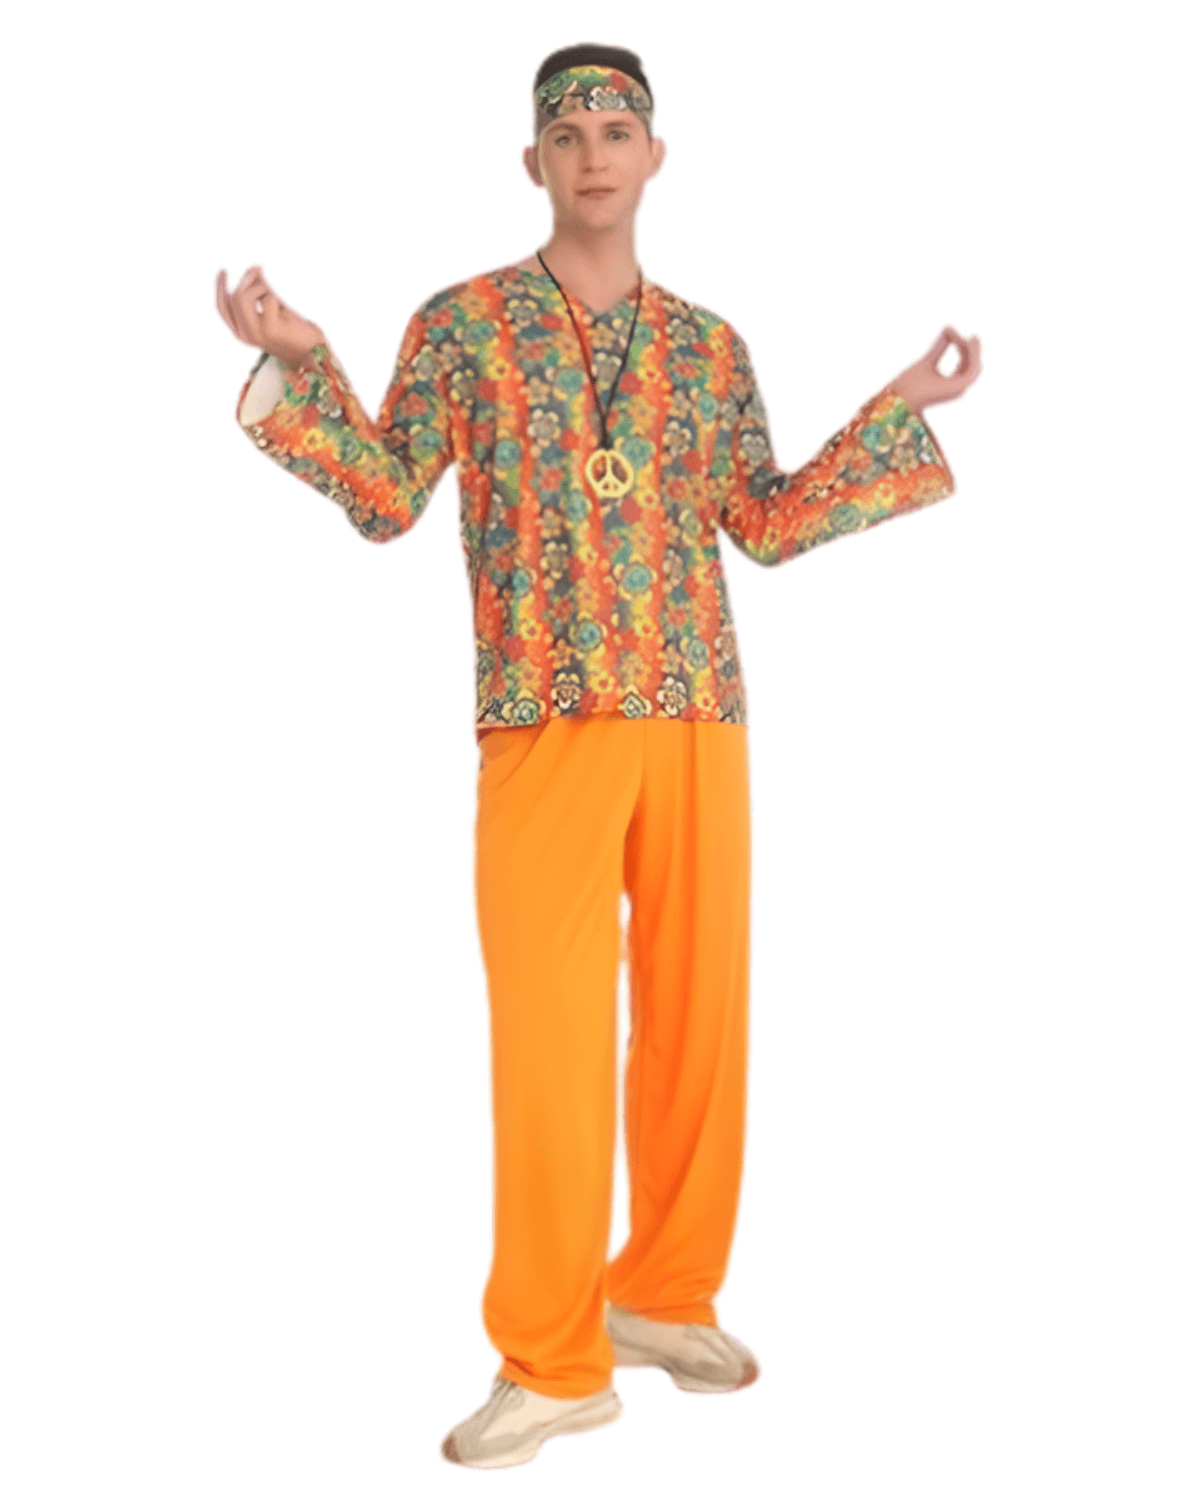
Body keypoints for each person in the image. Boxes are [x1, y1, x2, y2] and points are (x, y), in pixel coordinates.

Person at [216, 41, 982, 1470]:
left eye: (616, 129)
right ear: (533, 163)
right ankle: (552, 1361)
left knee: (699, 1025)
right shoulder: (463, 326)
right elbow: (383, 497)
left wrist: (896, 413)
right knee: (551, 1045)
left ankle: (665, 1294)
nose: (592, 154)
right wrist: (299, 363)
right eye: (566, 134)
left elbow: (764, 520)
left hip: (696, 712)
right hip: (543, 714)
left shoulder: (710, 348)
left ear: (654, 156)